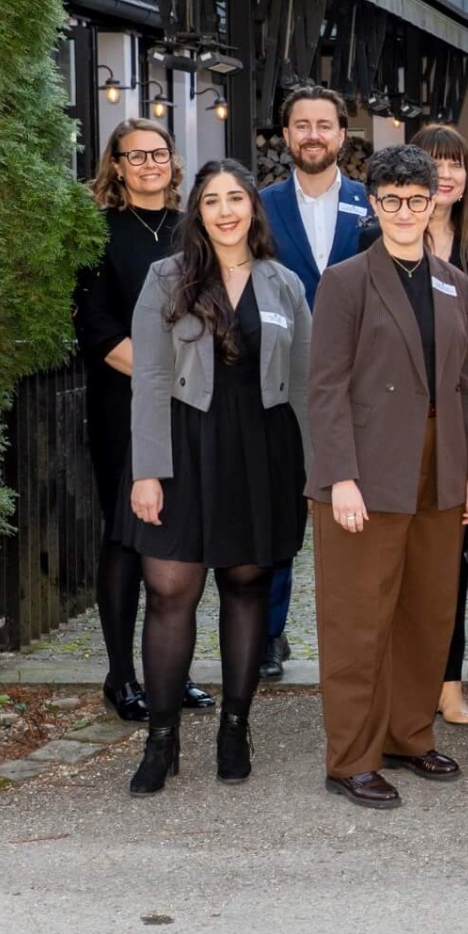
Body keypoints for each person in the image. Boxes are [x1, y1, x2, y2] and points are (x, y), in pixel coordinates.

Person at [309, 146, 468, 809]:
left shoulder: (453, 282)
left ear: (434, 200)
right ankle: (350, 758)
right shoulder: (346, 281)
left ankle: (408, 735)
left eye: (417, 199)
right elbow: (325, 387)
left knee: (427, 611)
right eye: (392, 199)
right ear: (375, 204)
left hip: (441, 465)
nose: (406, 211)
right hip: (367, 467)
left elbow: (467, 384)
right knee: (358, 619)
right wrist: (340, 477)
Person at [123, 160, 312, 795]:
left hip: (262, 449)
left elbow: (305, 386)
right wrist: (147, 471)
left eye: (236, 198)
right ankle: (162, 738)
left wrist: (314, 473)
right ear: (197, 212)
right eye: (212, 200)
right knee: (169, 590)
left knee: (246, 584)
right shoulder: (167, 278)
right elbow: (150, 376)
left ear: (253, 207)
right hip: (181, 445)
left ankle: (235, 726)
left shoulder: (285, 284)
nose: (225, 211)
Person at [75, 118, 215, 722]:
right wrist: (164, 377)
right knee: (126, 536)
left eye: (158, 153)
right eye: (136, 156)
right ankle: (121, 675)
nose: (150, 164)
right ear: (117, 166)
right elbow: (97, 327)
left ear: (172, 161)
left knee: (182, 538)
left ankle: (170, 669)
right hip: (124, 402)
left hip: (194, 407)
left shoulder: (196, 228)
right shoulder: (98, 233)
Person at [361, 125, 468, 726]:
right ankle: (389, 701)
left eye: (454, 164)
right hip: (388, 440)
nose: (443, 176)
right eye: (432, 165)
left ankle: (443, 688)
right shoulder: (366, 252)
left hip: (450, 436)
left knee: (444, 577)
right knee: (388, 578)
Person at [257, 85, 370, 680]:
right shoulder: (260, 205)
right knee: (280, 510)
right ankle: (269, 634)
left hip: (359, 384)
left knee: (354, 510)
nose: (313, 135)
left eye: (324, 125)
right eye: (301, 125)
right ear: (286, 135)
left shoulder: (371, 205)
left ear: (341, 135)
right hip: (282, 382)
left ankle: (353, 636)